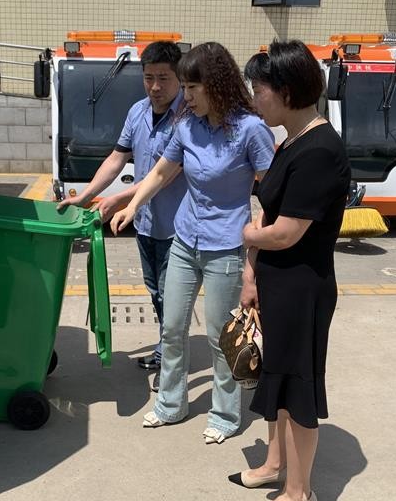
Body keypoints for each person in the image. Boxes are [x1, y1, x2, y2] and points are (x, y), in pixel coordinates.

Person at [110, 42, 275, 444]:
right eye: (183, 87)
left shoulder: (250, 130)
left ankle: (225, 414)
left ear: (217, 85)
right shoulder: (187, 126)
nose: (185, 96)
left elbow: (273, 192)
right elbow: (160, 173)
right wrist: (132, 205)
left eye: (192, 87)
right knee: (172, 327)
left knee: (221, 336)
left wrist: (258, 248)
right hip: (184, 239)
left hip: (225, 247)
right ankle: (170, 404)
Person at [229, 40, 351, 501]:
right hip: (277, 283)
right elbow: (269, 211)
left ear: (285, 90)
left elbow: (285, 231)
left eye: (258, 89)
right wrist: (251, 272)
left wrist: (246, 236)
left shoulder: (320, 150)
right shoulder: (290, 141)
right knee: (276, 376)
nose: (253, 98)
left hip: (303, 289)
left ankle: (300, 494)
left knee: (298, 388)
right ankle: (275, 464)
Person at [57, 41, 187, 391]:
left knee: (172, 297)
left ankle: (172, 366)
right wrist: (85, 196)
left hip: (178, 227)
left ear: (179, 78)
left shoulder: (188, 118)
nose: (155, 87)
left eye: (163, 78)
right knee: (156, 293)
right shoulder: (137, 112)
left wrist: (117, 200)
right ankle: (166, 350)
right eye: (149, 78)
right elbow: (117, 159)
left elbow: (162, 175)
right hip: (145, 223)